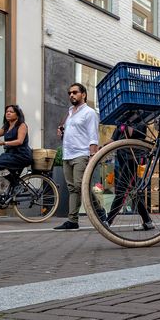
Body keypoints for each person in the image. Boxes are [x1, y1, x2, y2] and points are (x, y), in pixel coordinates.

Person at [53, 83, 104, 231]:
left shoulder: (89, 113)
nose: (71, 95)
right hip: (67, 154)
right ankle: (73, 221)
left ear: (84, 94)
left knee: (82, 186)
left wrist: (92, 156)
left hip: (81, 155)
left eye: (75, 92)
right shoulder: (70, 113)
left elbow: (93, 136)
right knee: (73, 189)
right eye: (70, 93)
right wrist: (61, 132)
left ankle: (100, 212)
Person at [105, 121, 155, 231]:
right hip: (122, 160)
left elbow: (131, 134)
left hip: (135, 159)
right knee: (134, 191)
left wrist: (127, 123)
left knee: (122, 190)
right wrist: (101, 149)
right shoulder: (121, 122)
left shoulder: (139, 120)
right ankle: (147, 221)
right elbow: (114, 140)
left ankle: (108, 221)